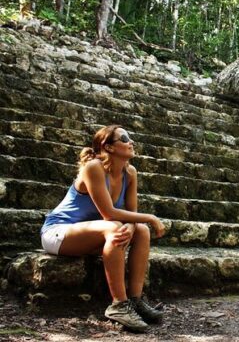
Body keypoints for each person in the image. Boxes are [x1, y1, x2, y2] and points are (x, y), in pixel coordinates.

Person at [40, 125, 166, 332]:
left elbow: (131, 215)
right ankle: (119, 304)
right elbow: (109, 213)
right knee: (117, 227)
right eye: (124, 138)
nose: (130, 142)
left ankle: (135, 300)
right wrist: (151, 217)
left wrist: (135, 226)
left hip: (93, 234)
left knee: (142, 231)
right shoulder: (93, 168)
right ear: (108, 147)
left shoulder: (130, 172)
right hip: (58, 233)